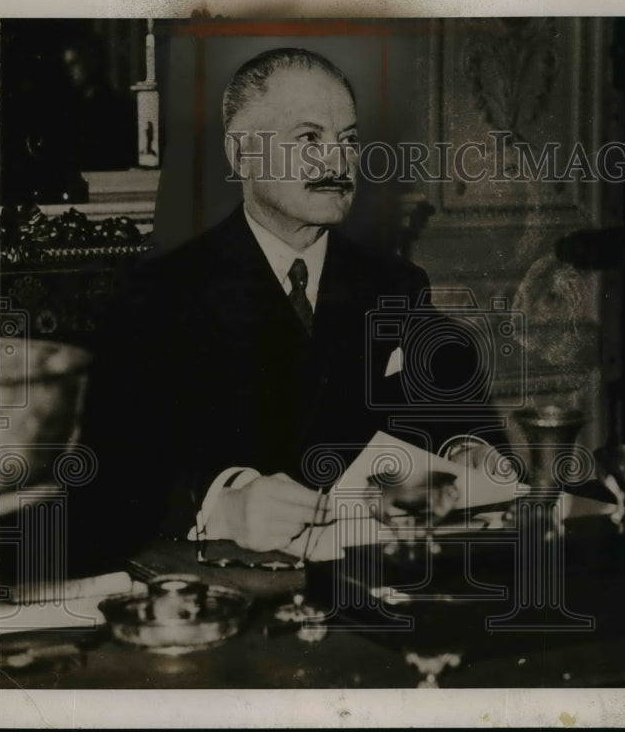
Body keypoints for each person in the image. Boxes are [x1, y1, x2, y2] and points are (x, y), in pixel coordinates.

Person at [72, 48, 511, 562]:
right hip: (230, 584)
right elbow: (108, 482)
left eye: (348, 141)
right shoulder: (157, 294)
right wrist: (223, 505)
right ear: (242, 157)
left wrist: (466, 449)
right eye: (309, 139)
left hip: (363, 581)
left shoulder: (394, 283)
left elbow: (454, 404)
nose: (338, 162)